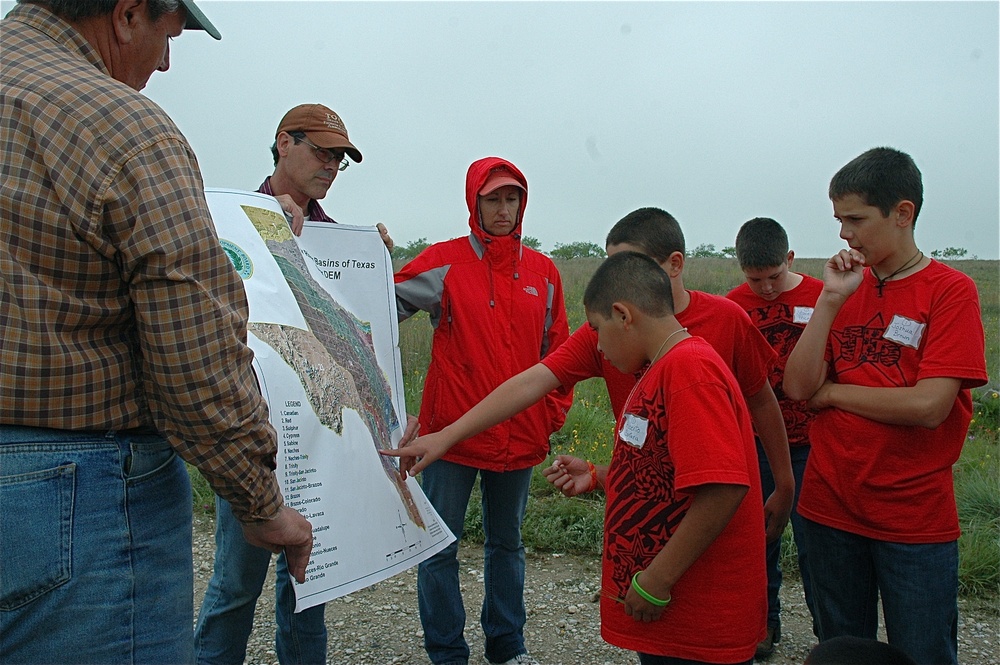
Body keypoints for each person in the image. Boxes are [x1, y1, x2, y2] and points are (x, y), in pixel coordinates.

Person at [0, 2, 312, 663]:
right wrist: (257, 497)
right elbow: (195, 358)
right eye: (168, 37)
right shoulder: (125, 128)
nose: (166, 62)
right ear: (128, 13)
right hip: (80, 493)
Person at [387, 207, 794, 547]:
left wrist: (784, 481)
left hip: (713, 508)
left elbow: (761, 400)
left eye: (632, 264)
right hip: (644, 510)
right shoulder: (603, 331)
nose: (620, 278)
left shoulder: (726, 321)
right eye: (612, 265)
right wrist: (447, 435)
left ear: (675, 264)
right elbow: (533, 381)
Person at [194, 102, 402, 665]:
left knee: (311, 588)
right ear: (284, 142)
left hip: (318, 439)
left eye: (340, 158)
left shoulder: (338, 241)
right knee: (236, 583)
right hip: (252, 438)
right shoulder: (229, 220)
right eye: (321, 151)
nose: (331, 165)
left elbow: (364, 335)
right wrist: (263, 231)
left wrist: (375, 271)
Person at [784, 147, 988, 665]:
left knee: (922, 652)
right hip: (829, 506)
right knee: (840, 650)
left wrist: (832, 395)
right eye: (838, 221)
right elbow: (798, 385)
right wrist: (829, 301)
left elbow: (928, 405)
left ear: (903, 213)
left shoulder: (949, 291)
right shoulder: (843, 288)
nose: (844, 235)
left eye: (855, 219)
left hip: (912, 517)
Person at [393, 157, 573, 665]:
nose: (503, 209)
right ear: (475, 202)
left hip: (520, 439)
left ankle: (507, 647)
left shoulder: (544, 272)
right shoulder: (445, 263)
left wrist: (550, 415)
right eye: (493, 198)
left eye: (512, 198)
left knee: (507, 546)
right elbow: (377, 307)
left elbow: (558, 352)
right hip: (449, 439)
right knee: (438, 548)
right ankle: (447, 653)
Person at [552, 251, 766, 664]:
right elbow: (666, 469)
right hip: (674, 620)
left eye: (597, 329)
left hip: (695, 619)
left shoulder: (689, 371)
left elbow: (722, 487)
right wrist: (599, 475)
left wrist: (655, 580)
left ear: (623, 315)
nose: (596, 344)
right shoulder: (663, 367)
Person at [725, 217, 824, 658]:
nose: (765, 288)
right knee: (758, 537)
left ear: (790, 258)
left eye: (773, 277)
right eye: (754, 280)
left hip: (814, 440)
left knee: (817, 542)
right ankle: (763, 623)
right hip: (755, 442)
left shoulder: (822, 297)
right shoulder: (730, 307)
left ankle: (831, 631)